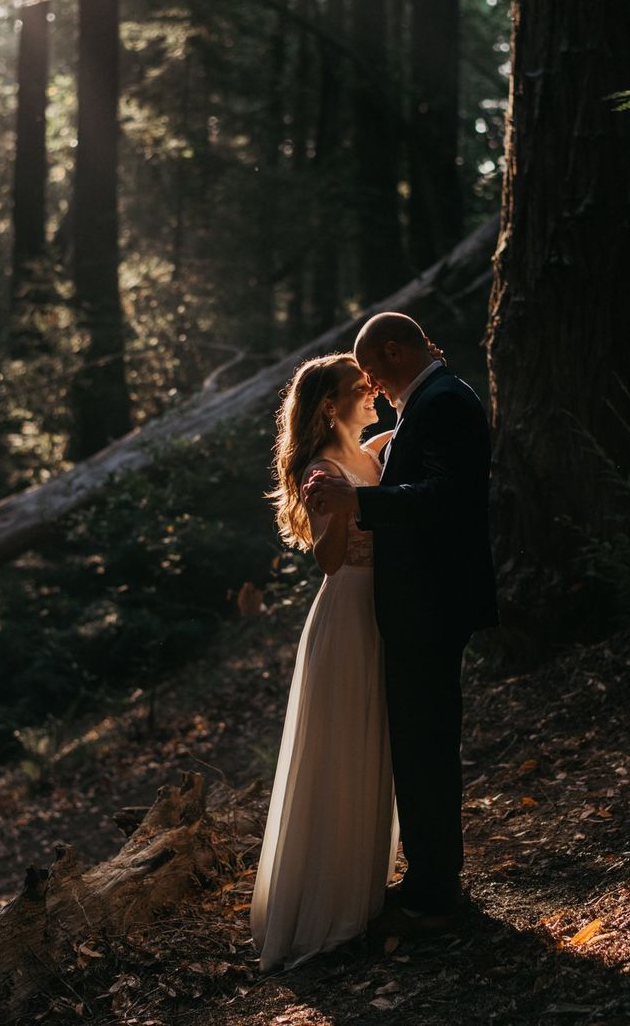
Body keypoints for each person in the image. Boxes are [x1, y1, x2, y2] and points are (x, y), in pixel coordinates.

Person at [304, 313, 498, 935]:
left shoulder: (442, 402)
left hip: (432, 603)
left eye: (374, 373)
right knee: (417, 748)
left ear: (395, 351)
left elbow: (443, 496)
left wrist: (359, 500)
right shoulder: (430, 403)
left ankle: (432, 896)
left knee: (426, 749)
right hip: (419, 603)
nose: (373, 386)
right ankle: (426, 882)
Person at [250, 353, 399, 972]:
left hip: (384, 610)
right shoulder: (321, 469)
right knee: (341, 750)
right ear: (329, 406)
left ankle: (363, 894)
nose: (371, 393)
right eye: (356, 388)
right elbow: (330, 561)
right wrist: (343, 505)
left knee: (375, 748)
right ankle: (326, 912)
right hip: (348, 611)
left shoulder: (377, 450)